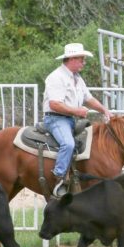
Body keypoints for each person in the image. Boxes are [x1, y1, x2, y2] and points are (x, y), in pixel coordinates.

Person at [43, 43, 112, 197]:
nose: (84, 63)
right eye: (81, 59)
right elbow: (54, 104)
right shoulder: (56, 77)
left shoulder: (77, 78)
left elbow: (88, 98)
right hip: (56, 119)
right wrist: (77, 111)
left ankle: (79, 176)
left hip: (69, 119)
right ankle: (59, 178)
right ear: (72, 59)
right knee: (68, 144)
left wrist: (104, 110)